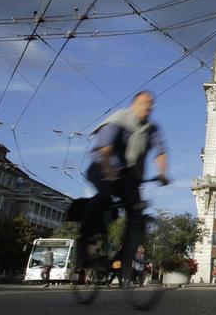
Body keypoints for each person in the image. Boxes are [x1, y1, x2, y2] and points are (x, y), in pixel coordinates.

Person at [77, 90, 169, 285]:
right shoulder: (119, 120)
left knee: (136, 212)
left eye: (151, 104)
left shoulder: (151, 129)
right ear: (134, 104)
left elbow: (161, 152)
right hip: (102, 165)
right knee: (105, 193)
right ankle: (84, 242)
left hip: (129, 176)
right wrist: (110, 172)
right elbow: (106, 149)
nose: (148, 107)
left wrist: (163, 173)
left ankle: (125, 256)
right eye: (145, 103)